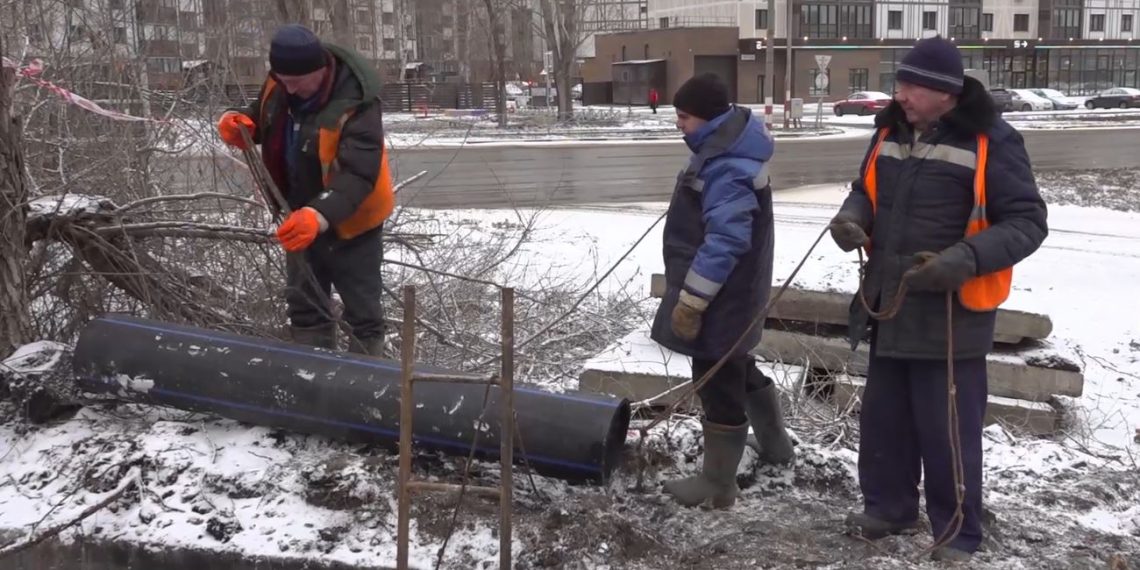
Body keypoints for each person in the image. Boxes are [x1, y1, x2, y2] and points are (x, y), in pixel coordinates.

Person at [828, 36, 1048, 562]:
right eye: (900, 82)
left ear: (945, 93)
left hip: (952, 316)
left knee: (947, 432)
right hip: (890, 303)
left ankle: (958, 531)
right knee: (884, 421)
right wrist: (853, 218)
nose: (898, 93)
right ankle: (888, 507)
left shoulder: (992, 140)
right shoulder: (890, 131)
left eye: (910, 85)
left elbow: (1027, 222)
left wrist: (966, 259)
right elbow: (865, 189)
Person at [650, 73, 795, 509]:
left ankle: (717, 486)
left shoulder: (729, 166)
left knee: (716, 380)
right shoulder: (724, 149)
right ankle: (775, 447)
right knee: (738, 365)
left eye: (684, 116)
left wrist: (693, 300)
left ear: (710, 118)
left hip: (721, 296)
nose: (679, 124)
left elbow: (725, 241)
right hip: (733, 293)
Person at [216, 24, 395, 355]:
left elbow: (357, 174)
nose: (290, 90)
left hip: (354, 220)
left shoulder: (358, 103)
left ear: (321, 69)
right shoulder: (281, 83)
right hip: (298, 216)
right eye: (284, 82)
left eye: (297, 82)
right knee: (304, 308)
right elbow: (262, 116)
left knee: (363, 313)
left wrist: (319, 214)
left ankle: (366, 395)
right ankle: (312, 383)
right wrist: (239, 121)